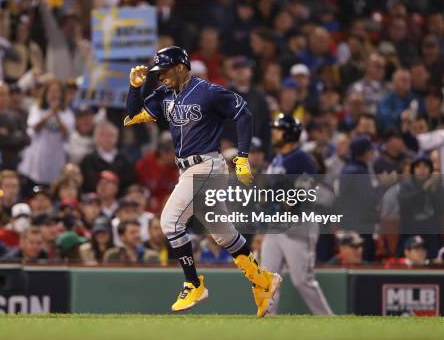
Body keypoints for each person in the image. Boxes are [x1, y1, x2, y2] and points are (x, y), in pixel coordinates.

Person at [125, 46, 280, 315]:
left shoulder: (208, 91)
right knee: (223, 233)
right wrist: (135, 88)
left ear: (181, 68)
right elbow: (132, 117)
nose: (160, 76)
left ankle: (193, 283)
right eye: (157, 72)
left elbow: (243, 112)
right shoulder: (165, 93)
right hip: (188, 170)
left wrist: (242, 156)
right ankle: (263, 280)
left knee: (170, 222)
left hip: (206, 164)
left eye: (164, 71)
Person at [260, 114, 333, 316]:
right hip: (276, 226)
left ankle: (328, 319)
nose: (274, 132)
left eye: (278, 129)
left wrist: (284, 203)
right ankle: (267, 320)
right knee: (266, 277)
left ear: (290, 133)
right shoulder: (278, 158)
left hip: (298, 224)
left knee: (302, 280)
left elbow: (305, 190)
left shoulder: (301, 158)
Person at [19, 79, 74, 186]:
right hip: (38, 154)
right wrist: (50, 113)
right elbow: (34, 127)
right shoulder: (37, 109)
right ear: (46, 94)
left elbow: (67, 134)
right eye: (51, 91)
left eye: (57, 92)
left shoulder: (67, 113)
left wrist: (57, 115)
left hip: (56, 155)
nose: (54, 95)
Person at [0, 80, 30, 169]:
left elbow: (27, 139)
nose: (5, 98)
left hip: (15, 165)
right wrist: (16, 135)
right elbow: (1, 142)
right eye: (1, 94)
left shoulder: (16, 116)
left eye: (7, 94)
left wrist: (11, 136)